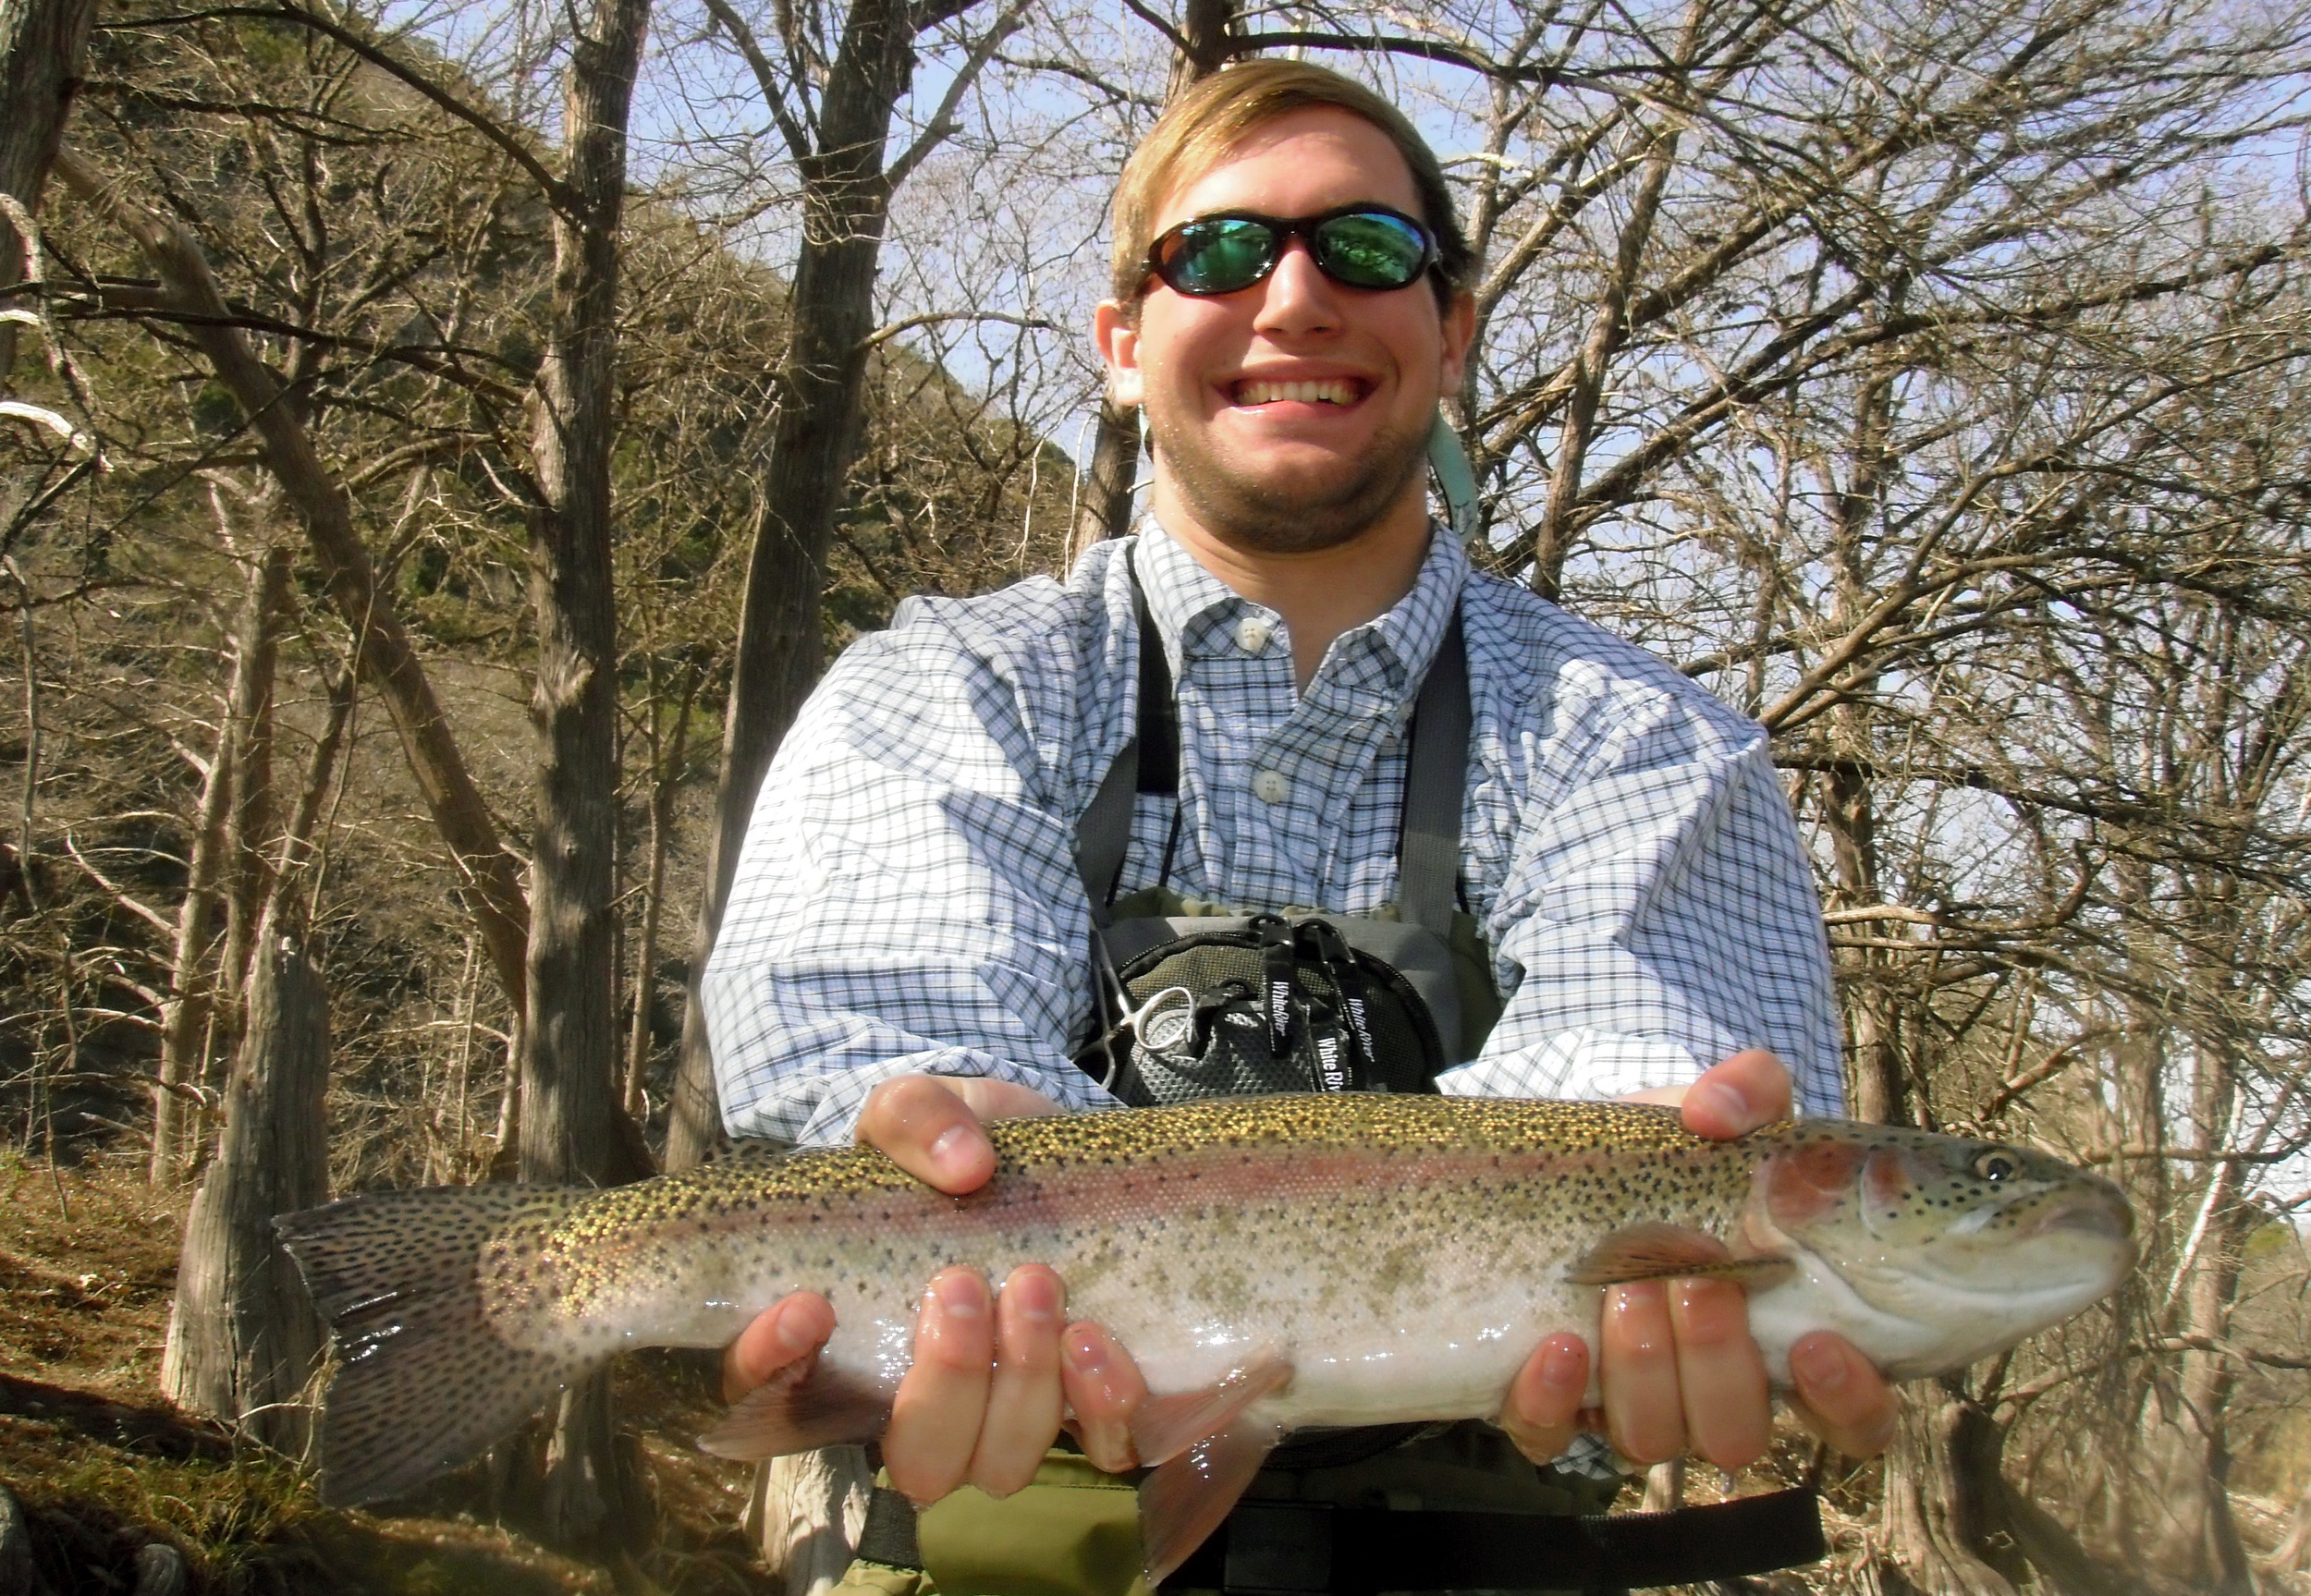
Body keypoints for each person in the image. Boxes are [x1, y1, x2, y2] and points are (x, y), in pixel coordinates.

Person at [701, 58, 1896, 1595]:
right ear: (1124, 346)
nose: (1294, 300)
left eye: (1368, 250)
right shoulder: (943, 689)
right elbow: (884, 1072)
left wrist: (1669, 1273)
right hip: (992, 1556)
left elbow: (1625, 1155)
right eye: (1217, 253)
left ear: (1451, 331)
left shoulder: (1650, 748)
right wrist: (929, 1148)